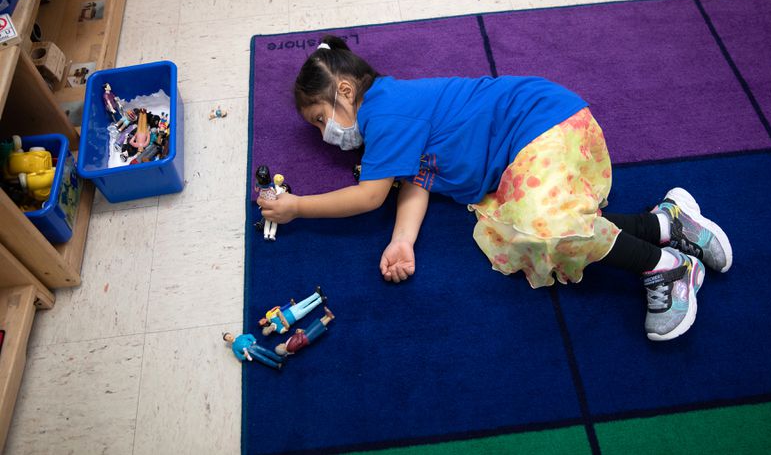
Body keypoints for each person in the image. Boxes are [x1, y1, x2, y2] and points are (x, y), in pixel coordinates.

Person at [257, 35, 732, 342]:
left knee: (541, 229)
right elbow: (416, 182)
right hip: (524, 149)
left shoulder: (385, 110)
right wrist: (402, 239)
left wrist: (298, 207)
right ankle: (664, 224)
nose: (326, 136)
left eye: (322, 120)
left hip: (544, 125)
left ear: (344, 91)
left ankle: (666, 267)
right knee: (519, 236)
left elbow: (371, 195)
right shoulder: (393, 116)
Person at [258, 286, 326, 336]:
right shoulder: (279, 331)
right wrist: (282, 319)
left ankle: (316, 295)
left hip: (290, 310)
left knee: (304, 302)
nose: (270, 330)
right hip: (295, 317)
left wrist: (283, 321)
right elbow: (287, 327)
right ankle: (320, 300)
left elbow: (279, 312)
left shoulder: (272, 319)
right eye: (269, 332)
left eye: (267, 329)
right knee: (308, 308)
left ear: (266, 327)